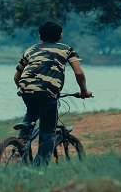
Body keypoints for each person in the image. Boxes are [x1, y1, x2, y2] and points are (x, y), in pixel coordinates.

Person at [14, 21, 92, 166]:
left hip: (26, 90)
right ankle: (38, 169)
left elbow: (16, 77)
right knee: (48, 133)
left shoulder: (30, 50)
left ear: (40, 36)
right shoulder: (67, 49)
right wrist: (83, 91)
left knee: (30, 116)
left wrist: (25, 90)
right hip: (48, 92)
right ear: (60, 36)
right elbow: (79, 73)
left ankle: (20, 146)